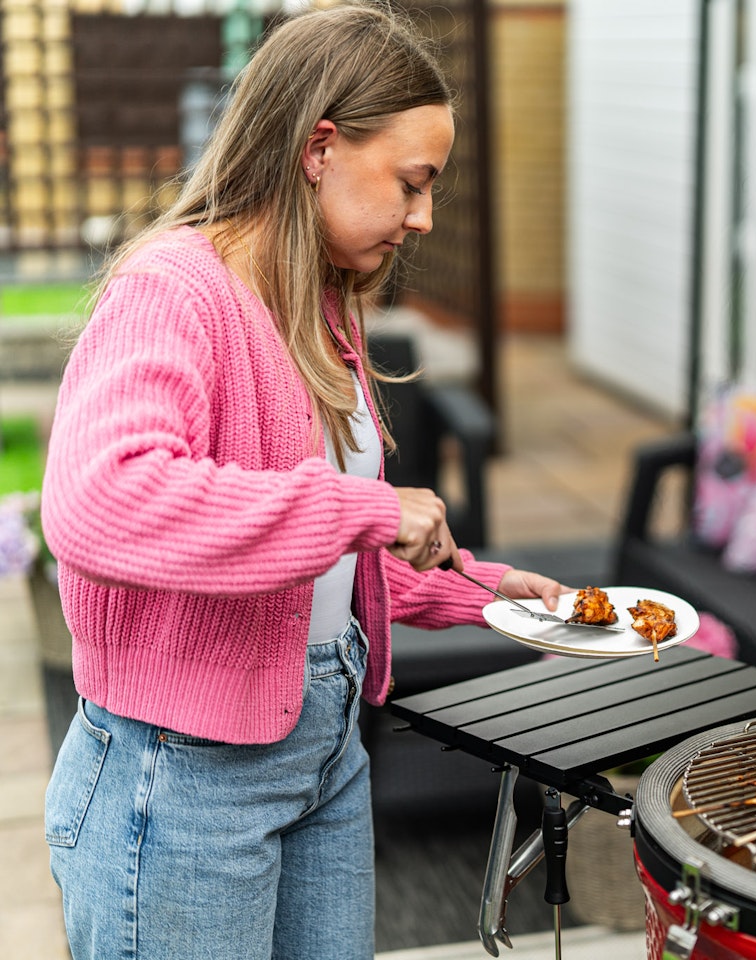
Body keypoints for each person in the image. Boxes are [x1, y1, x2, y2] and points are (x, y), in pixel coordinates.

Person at [39, 4, 565, 957]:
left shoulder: (321, 305)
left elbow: (309, 561)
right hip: (184, 774)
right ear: (320, 145)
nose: (424, 216)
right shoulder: (174, 289)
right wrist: (364, 506)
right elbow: (102, 501)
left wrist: (479, 591)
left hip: (324, 748)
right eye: (412, 182)